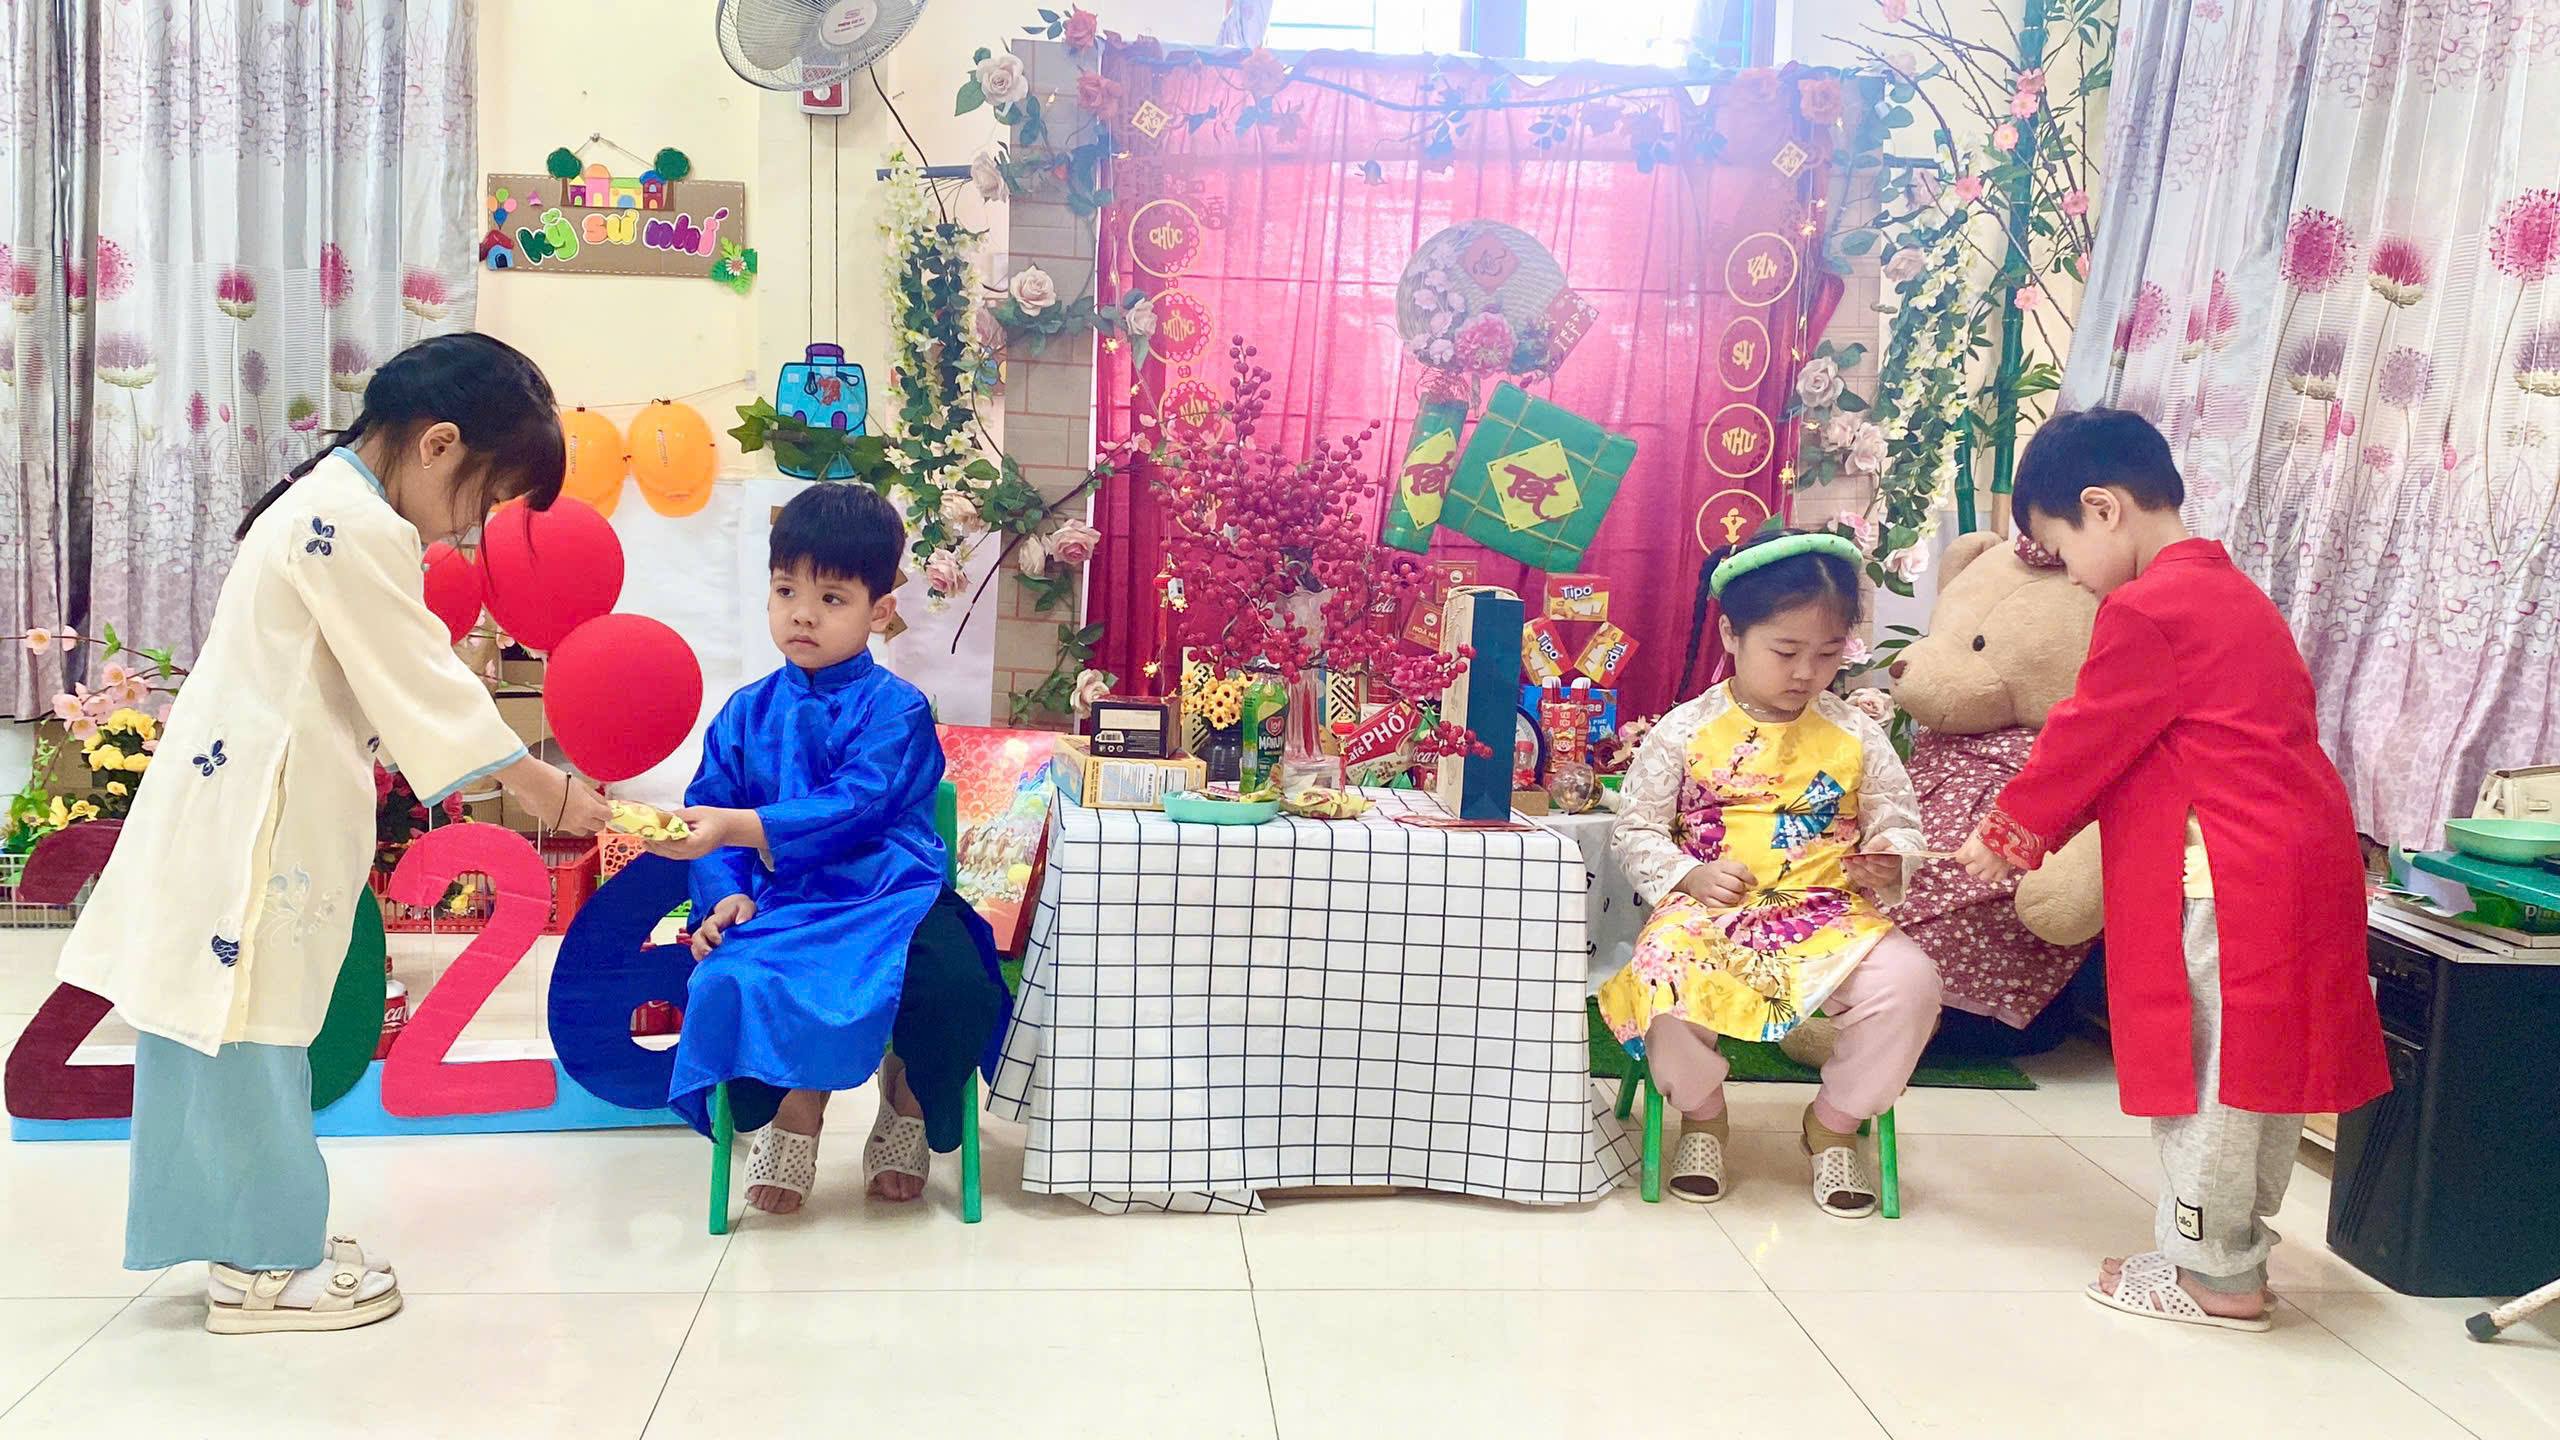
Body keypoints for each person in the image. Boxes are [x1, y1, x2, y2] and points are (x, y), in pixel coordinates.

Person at [60, 333, 613, 1335]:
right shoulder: (348, 522)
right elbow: (417, 673)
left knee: (219, 1025)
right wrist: (544, 786)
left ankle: (236, 1247)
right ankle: (265, 1267)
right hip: (257, 821)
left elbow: (390, 673)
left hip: (243, 807)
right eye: (487, 499)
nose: (474, 530)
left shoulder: (324, 502)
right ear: (439, 444)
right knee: (254, 1028)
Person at [1955, 408, 2389, 1331]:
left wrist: (2006, 831)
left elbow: (2087, 735)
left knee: (2213, 1076)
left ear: (2103, 508)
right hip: (2298, 864)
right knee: (2259, 1070)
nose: (2072, 573)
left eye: (2061, 548)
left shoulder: (2147, 609)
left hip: (2230, 876)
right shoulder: (2232, 592)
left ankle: (2213, 1276)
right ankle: (2232, 1252)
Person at [647, 484, 1009, 1215]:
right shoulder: (745, 712)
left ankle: (904, 1096)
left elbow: (856, 805)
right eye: (786, 591)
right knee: (730, 979)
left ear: (879, 611)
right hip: (785, 900)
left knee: (955, 986)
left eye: (832, 598)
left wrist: (738, 827)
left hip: (893, 896)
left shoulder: (898, 708)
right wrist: (726, 894)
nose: (803, 614)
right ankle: (795, 1103)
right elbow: (709, 809)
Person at [1603, 530, 1937, 1217]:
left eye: (1828, 653)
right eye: (1785, 651)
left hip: (1830, 916)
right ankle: (1704, 1117)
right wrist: (1686, 875)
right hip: (1709, 915)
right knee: (1660, 977)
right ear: (1732, 633)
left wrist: (1888, 856)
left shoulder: (1856, 733)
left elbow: (1900, 820)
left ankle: (1834, 1123)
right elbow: (1634, 828)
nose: (1806, 672)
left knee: (1911, 983)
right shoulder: (1685, 729)